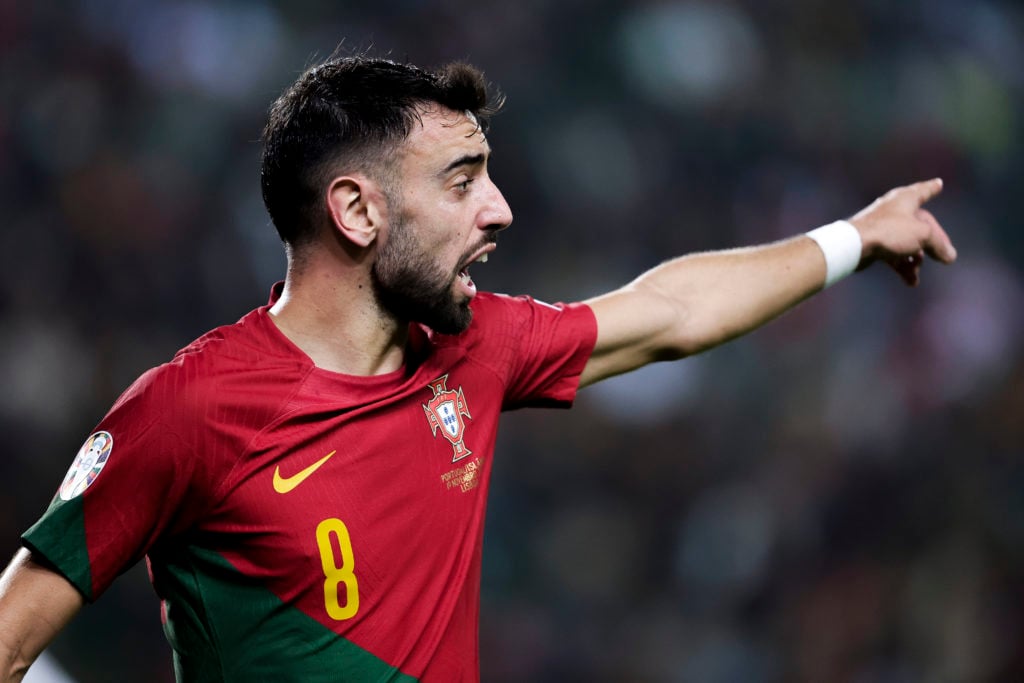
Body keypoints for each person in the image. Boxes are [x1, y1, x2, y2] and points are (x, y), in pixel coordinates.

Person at [0, 57, 956, 682]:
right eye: (462, 181)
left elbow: (670, 311)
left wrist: (855, 236)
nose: (498, 210)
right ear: (358, 212)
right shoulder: (189, 410)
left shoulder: (476, 348)